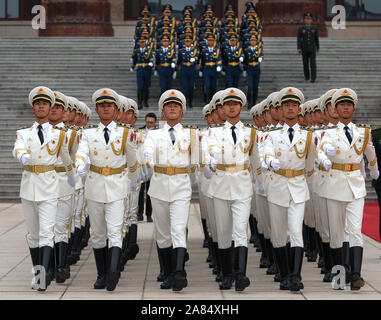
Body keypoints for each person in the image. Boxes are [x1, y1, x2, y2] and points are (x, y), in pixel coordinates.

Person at [75, 88, 138, 291]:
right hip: (94, 186)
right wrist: (80, 163)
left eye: (109, 105)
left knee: (114, 230)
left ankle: (112, 272)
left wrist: (134, 181)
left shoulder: (125, 133)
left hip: (117, 186)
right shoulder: (87, 133)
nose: (105, 109)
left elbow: (132, 160)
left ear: (115, 108)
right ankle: (101, 273)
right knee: (99, 233)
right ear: (96, 109)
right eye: (102, 106)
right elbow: (82, 152)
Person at [13, 86, 75, 291]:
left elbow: (66, 159)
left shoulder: (59, 135)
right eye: (38, 103)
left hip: (50, 187)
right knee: (33, 235)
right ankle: (39, 271)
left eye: (45, 104)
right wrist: (21, 155)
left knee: (48, 232)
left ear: (50, 108)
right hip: (29, 186)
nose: (41, 106)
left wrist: (74, 178)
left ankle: (43, 276)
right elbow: (18, 148)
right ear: (33, 108)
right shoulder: (23, 133)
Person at [318, 88, 379, 290]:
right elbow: (322, 147)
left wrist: (374, 170)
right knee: (336, 233)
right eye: (342, 104)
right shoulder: (327, 132)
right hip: (334, 184)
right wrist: (325, 156)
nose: (345, 107)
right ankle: (339, 275)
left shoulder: (363, 131)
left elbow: (370, 152)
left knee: (354, 230)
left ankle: (355, 274)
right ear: (335, 108)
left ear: (353, 108)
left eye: (349, 104)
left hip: (355, 185)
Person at [203, 88, 263, 291]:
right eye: (227, 104)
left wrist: (260, 181)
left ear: (241, 107)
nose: (231, 107)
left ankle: (240, 274)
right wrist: (209, 161)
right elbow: (207, 150)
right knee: (223, 231)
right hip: (220, 184)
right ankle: (227, 274)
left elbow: (256, 159)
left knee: (240, 230)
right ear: (222, 108)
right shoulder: (213, 132)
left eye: (235, 104)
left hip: (243, 185)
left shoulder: (251, 132)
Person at [143, 89, 198, 292]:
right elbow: (147, 149)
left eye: (176, 105)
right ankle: (166, 272)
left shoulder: (191, 134)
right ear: (163, 112)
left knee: (177, 230)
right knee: (163, 234)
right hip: (159, 187)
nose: (173, 108)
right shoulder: (154, 134)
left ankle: (178, 272)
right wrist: (148, 157)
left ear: (182, 113)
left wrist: (194, 180)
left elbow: (195, 160)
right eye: (168, 105)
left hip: (181, 187)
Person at [264, 87, 315, 292]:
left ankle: (295, 276)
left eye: (294, 105)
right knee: (278, 234)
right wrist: (270, 161)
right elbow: (265, 152)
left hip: (297, 187)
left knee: (295, 231)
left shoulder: (308, 136)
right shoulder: (271, 136)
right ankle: (284, 273)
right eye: (287, 106)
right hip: (277, 186)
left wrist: (309, 185)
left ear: (299, 109)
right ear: (281, 110)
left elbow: (310, 164)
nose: (291, 109)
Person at [138, 113, 157, 222]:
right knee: (140, 190)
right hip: (141, 164)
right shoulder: (139, 131)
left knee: (150, 191)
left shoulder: (158, 133)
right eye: (148, 122)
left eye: (151, 122)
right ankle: (140, 213)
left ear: (154, 122)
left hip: (152, 165)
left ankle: (149, 214)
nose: (149, 124)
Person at [131, 36, 155, 109]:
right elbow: (135, 60)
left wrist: (151, 62)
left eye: (143, 42)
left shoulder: (148, 50)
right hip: (140, 70)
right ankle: (139, 102)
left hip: (147, 70)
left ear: (145, 43)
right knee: (140, 87)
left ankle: (145, 101)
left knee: (146, 87)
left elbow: (151, 57)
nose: (142, 44)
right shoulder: (137, 51)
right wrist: (132, 66)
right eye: (140, 42)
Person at [177, 35, 199, 108]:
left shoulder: (195, 50)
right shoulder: (181, 50)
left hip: (191, 70)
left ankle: (190, 101)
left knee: (191, 87)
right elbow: (179, 61)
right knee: (184, 87)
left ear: (191, 42)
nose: (187, 43)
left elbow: (197, 58)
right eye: (186, 41)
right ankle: (184, 102)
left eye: (189, 41)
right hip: (184, 70)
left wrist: (195, 60)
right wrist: (176, 69)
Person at [297, 12, 319, 83]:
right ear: (304, 20)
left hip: (312, 48)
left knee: (313, 63)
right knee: (305, 63)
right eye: (306, 19)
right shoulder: (301, 28)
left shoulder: (314, 28)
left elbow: (316, 39)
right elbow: (299, 39)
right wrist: (299, 47)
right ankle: (307, 76)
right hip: (304, 48)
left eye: (309, 19)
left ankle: (313, 78)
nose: (308, 20)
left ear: (311, 20)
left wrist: (318, 47)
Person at [200, 34, 222, 102]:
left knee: (213, 85)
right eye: (209, 40)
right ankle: (206, 99)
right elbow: (202, 61)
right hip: (206, 69)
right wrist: (201, 70)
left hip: (214, 69)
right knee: (207, 85)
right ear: (207, 42)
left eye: (212, 40)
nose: (210, 42)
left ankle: (212, 99)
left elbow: (219, 58)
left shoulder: (217, 50)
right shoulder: (204, 51)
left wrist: (219, 65)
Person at [243, 35, 263, 107]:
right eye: (252, 40)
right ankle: (249, 102)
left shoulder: (259, 50)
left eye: (254, 41)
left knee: (255, 87)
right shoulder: (247, 50)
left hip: (256, 69)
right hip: (250, 69)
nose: (253, 42)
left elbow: (261, 56)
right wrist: (244, 70)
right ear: (250, 42)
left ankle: (254, 102)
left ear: (256, 42)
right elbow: (245, 61)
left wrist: (261, 58)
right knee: (250, 87)